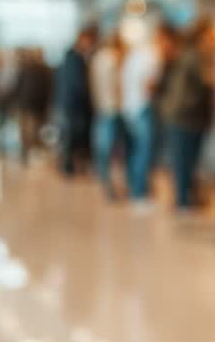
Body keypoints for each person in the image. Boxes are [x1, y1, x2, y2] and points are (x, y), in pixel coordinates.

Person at [160, 17, 215, 211]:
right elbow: (207, 83)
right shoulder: (195, 56)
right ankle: (183, 200)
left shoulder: (186, 54)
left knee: (183, 160)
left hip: (184, 114)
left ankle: (184, 198)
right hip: (185, 115)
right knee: (184, 160)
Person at [122, 24, 174, 209]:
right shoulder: (153, 56)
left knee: (137, 151)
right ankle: (139, 194)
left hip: (130, 107)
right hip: (143, 108)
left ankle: (136, 190)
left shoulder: (137, 54)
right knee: (143, 153)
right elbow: (149, 85)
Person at [90, 32, 128, 201]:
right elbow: (117, 86)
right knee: (115, 152)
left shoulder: (97, 59)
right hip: (112, 110)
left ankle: (106, 183)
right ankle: (112, 187)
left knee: (103, 149)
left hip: (101, 108)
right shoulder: (113, 60)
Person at [58, 25, 99, 176]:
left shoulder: (70, 57)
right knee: (70, 135)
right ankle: (67, 167)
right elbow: (78, 84)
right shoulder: (75, 58)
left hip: (69, 103)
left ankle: (69, 165)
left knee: (69, 135)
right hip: (72, 104)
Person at [13, 47, 53, 163]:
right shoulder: (24, 69)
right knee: (27, 133)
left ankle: (33, 153)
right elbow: (17, 87)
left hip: (35, 107)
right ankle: (27, 154)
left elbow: (48, 89)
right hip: (26, 106)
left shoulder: (45, 70)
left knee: (33, 132)